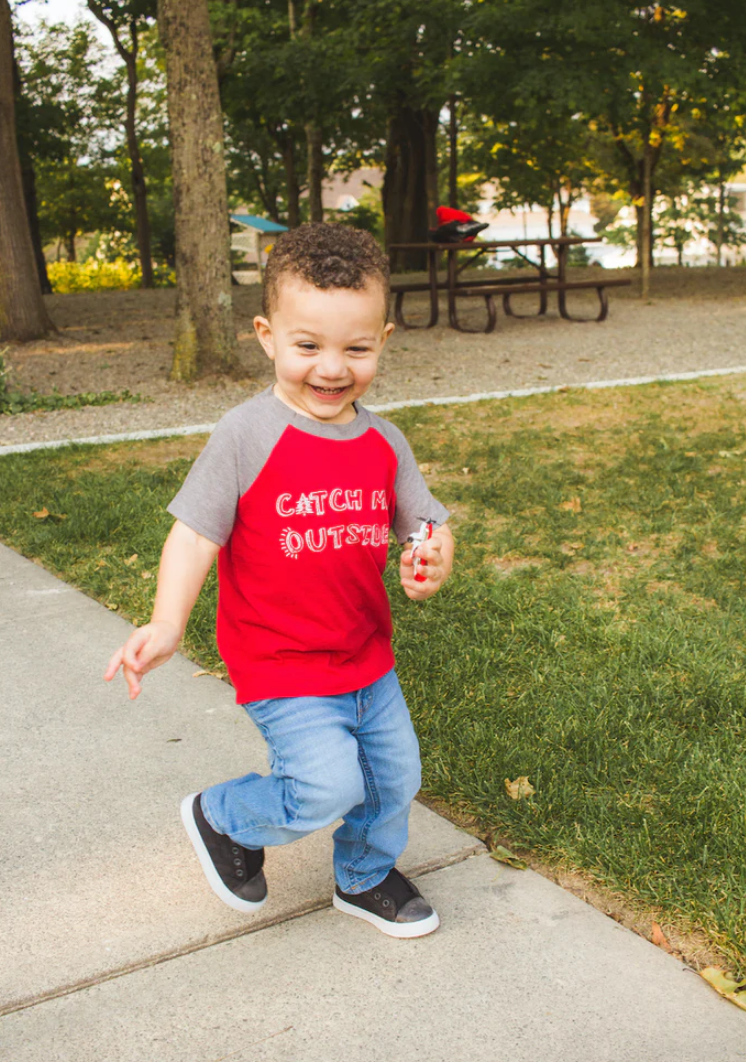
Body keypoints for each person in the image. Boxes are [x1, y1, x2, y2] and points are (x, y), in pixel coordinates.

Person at [105, 223, 454, 939]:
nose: (332, 368)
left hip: (366, 657)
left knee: (393, 782)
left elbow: (425, 523)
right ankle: (225, 816)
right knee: (327, 786)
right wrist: (168, 622)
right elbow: (196, 533)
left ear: (383, 340)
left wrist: (431, 555)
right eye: (308, 346)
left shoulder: (384, 441)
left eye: (356, 348)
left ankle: (363, 877)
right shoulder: (247, 435)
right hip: (282, 663)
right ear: (267, 336)